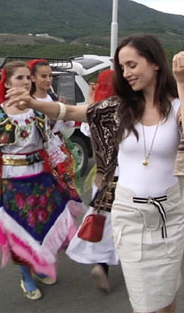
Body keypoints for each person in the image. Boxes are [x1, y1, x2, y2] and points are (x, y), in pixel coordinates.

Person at [6, 34, 184, 313]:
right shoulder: (118, 109)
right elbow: (71, 110)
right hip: (129, 217)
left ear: (155, 63)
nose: (127, 73)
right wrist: (35, 104)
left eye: (132, 65)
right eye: (122, 68)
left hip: (167, 218)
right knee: (144, 303)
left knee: (166, 294)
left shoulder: (177, 106)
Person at [0, 61, 85, 300]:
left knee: (42, 226)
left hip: (42, 179)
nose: (25, 82)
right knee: (19, 231)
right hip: (12, 183)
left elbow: (52, 143)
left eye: (27, 78)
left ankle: (38, 264)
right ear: (7, 83)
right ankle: (25, 274)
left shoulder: (38, 112)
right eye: (19, 78)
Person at [66, 69, 119, 293]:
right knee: (123, 222)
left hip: (101, 175)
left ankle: (101, 264)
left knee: (101, 219)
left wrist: (91, 98)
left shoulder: (95, 115)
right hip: (124, 176)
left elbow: (86, 123)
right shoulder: (123, 111)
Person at [29, 59, 78, 186]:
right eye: (43, 76)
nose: (48, 79)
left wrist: (65, 114)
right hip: (41, 151)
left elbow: (68, 124)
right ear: (33, 78)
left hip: (60, 147)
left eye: (50, 75)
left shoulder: (53, 97)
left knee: (66, 187)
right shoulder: (30, 102)